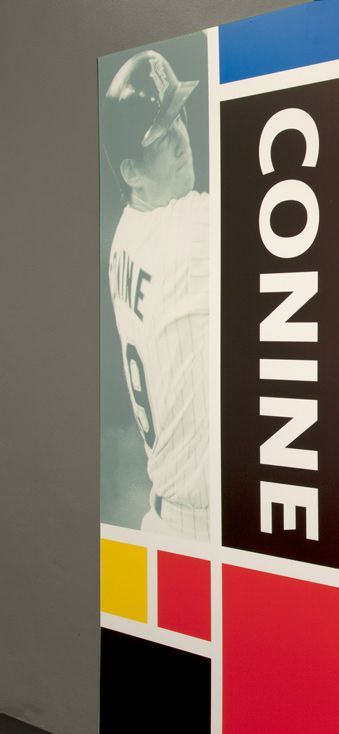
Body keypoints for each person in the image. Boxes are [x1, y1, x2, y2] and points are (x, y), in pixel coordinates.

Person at [102, 50, 209, 540]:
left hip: (169, 521)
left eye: (179, 115)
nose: (181, 137)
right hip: (201, 530)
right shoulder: (190, 234)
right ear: (131, 172)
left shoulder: (127, 232)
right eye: (161, 133)